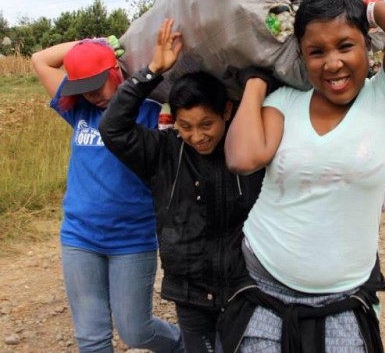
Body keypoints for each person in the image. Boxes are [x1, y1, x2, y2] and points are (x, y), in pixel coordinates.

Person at [221, 0, 385, 351]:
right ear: (301, 56)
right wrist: (256, 86)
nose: (333, 63)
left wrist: (363, 7)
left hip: (344, 297)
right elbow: (243, 158)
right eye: (316, 51)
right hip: (263, 286)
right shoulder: (286, 100)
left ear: (367, 44)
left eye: (345, 45)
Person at [99, 19, 264, 353]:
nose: (197, 136)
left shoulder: (248, 152)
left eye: (206, 124)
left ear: (227, 111)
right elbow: (113, 130)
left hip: (244, 288)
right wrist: (152, 71)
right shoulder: (163, 152)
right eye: (185, 126)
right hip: (189, 293)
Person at [31, 39, 183, 353]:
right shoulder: (79, 111)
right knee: (91, 338)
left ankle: (183, 343)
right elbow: (39, 60)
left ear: (115, 71)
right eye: (85, 89)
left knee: (136, 332)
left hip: (131, 240)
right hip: (79, 238)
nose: (94, 96)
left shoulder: (149, 111)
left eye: (99, 85)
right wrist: (91, 43)